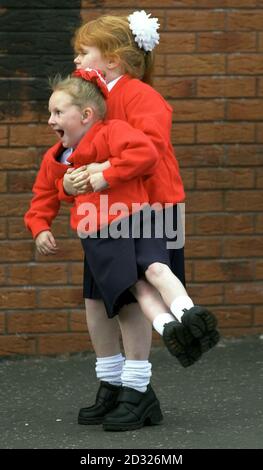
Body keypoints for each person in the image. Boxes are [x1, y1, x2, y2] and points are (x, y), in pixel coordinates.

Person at [58, 10, 220, 431]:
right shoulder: (91, 98)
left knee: (131, 294)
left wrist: (103, 172)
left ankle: (136, 388)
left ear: (112, 58)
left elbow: (147, 150)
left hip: (148, 207)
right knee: (99, 298)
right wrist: (70, 182)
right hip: (102, 210)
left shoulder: (142, 98)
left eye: (83, 52)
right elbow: (70, 150)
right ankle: (111, 383)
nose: (76, 60)